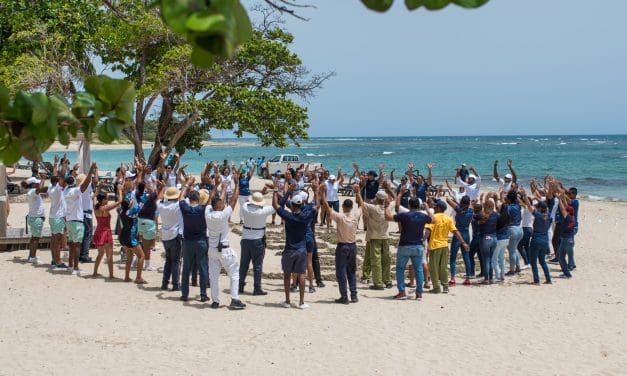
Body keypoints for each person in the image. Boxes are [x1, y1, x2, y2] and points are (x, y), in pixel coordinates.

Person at [205, 177, 246, 310]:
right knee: (234, 274)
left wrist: (216, 187)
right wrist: (237, 184)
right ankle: (234, 298)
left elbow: (209, 201)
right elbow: (234, 200)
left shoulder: (208, 214)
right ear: (219, 206)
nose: (224, 204)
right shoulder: (223, 215)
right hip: (224, 250)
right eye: (222, 203)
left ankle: (215, 301)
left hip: (212, 250)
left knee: (214, 277)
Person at [273, 186, 316, 309]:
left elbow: (275, 205)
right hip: (301, 249)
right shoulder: (305, 217)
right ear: (301, 203)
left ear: (292, 204)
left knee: (287, 275)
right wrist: (317, 190)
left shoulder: (288, 216)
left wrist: (277, 191)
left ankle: (287, 301)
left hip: (289, 249)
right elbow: (315, 207)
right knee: (302, 274)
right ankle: (301, 302)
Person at [385, 191, 433, 300]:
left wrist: (386, 206)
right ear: (419, 205)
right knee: (419, 269)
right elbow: (433, 220)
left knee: (400, 269)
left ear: (409, 205)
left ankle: (402, 292)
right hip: (418, 246)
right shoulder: (423, 216)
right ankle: (419, 293)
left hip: (405, 245)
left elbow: (388, 217)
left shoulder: (404, 215)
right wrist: (427, 208)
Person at [319, 186, 361, 304]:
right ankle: (353, 295)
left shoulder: (341, 217)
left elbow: (327, 208)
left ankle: (344, 296)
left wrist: (322, 194)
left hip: (342, 246)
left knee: (341, 272)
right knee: (351, 271)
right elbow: (362, 206)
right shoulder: (355, 216)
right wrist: (359, 192)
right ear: (351, 207)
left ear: (343, 207)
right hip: (353, 246)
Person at [424, 200, 469, 293]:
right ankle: (445, 286)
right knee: (443, 267)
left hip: (435, 245)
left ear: (439, 208)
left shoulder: (433, 217)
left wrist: (423, 240)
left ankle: (436, 287)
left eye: (435, 207)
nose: (434, 208)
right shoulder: (449, 218)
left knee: (433, 267)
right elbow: (455, 231)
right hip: (444, 245)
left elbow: (428, 230)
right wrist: (463, 243)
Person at [179, 176, 211, 302]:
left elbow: (180, 198)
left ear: (190, 199)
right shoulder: (203, 210)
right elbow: (210, 200)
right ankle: (203, 294)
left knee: (186, 268)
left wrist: (186, 185)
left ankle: (184, 294)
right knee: (202, 268)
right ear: (198, 199)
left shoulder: (185, 209)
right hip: (201, 241)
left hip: (187, 242)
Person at [354, 184, 392, 290]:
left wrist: (358, 192)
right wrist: (389, 190)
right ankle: (387, 280)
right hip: (385, 237)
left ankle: (378, 282)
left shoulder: (373, 208)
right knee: (386, 260)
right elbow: (396, 199)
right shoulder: (388, 208)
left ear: (376, 198)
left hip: (373, 237)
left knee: (375, 260)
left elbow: (361, 203)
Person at [63, 163, 97, 275]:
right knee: (77, 245)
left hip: (69, 220)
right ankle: (76, 268)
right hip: (77, 221)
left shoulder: (65, 191)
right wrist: (91, 170)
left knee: (72, 244)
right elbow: (85, 185)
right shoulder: (75, 191)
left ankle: (70, 266)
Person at [239, 192, 275, 295]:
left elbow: (247, 202)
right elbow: (277, 205)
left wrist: (260, 194)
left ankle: (240, 285)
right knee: (257, 265)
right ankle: (257, 288)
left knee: (243, 264)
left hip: (245, 238)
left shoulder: (245, 207)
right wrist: (275, 192)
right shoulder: (263, 211)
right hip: (258, 240)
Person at [519, 191, 552, 285]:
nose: (536, 209)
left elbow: (529, 207)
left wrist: (525, 196)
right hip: (545, 241)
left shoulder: (539, 216)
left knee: (533, 262)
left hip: (536, 240)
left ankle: (536, 280)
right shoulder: (548, 216)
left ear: (541, 208)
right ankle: (548, 279)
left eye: (538, 207)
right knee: (542, 261)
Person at [92, 182, 123, 278]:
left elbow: (93, 197)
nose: (108, 199)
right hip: (106, 232)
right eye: (107, 198)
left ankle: (95, 272)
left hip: (98, 231)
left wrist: (99, 187)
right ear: (103, 200)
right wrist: (120, 190)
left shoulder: (96, 208)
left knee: (100, 254)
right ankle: (111, 275)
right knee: (109, 255)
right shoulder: (105, 208)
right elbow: (119, 201)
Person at [158, 184, 184, 291]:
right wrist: (186, 185)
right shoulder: (178, 205)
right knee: (176, 261)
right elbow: (182, 199)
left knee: (168, 260)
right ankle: (175, 284)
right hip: (175, 236)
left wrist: (163, 187)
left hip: (165, 236)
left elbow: (159, 198)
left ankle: (164, 283)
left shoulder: (161, 206)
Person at [119, 181, 146, 284]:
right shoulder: (131, 212)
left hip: (123, 237)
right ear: (129, 204)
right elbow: (141, 205)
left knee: (129, 257)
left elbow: (125, 200)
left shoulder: (121, 212)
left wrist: (124, 191)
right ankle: (138, 277)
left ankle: (126, 277)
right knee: (141, 256)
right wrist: (145, 195)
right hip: (131, 237)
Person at [446, 195, 474, 286]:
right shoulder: (471, 211)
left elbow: (447, 200)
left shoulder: (459, 210)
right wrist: (458, 203)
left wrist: (457, 203)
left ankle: (453, 279)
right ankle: (468, 279)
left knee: (453, 257)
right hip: (466, 234)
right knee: (466, 257)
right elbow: (467, 207)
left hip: (458, 234)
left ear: (462, 203)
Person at [48, 156, 67, 269]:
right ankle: (58, 261)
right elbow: (62, 176)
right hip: (58, 217)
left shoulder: (51, 187)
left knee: (53, 240)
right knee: (58, 241)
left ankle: (54, 260)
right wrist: (64, 165)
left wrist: (55, 163)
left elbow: (55, 175)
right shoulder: (57, 189)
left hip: (52, 216)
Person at [25, 175, 47, 264]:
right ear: (33, 185)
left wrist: (42, 180)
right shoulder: (33, 191)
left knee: (33, 238)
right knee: (35, 239)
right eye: (37, 183)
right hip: (36, 218)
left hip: (33, 217)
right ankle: (32, 257)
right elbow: (40, 189)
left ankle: (31, 255)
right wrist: (43, 179)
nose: (38, 184)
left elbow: (40, 189)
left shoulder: (31, 192)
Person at [477, 198, 499, 284]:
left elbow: (475, 218)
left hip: (485, 238)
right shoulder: (496, 215)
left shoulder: (481, 214)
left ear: (485, 205)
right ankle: (491, 278)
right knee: (490, 259)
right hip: (494, 238)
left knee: (486, 259)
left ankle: (486, 279)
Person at [79, 164, 98, 264]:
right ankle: (84, 255)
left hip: (81, 214)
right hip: (86, 215)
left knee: (83, 235)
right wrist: (94, 169)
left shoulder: (78, 189)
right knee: (87, 235)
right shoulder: (85, 188)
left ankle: (81, 254)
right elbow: (95, 181)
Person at [556, 191, 575, 278]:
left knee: (561, 257)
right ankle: (567, 272)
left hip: (565, 240)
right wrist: (562, 197)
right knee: (565, 256)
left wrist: (559, 198)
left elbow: (562, 208)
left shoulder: (567, 218)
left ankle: (567, 273)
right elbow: (565, 207)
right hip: (570, 239)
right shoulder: (572, 217)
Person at [505, 190, 524, 275]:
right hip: (520, 229)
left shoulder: (508, 207)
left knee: (511, 251)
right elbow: (521, 203)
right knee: (514, 249)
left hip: (512, 229)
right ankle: (518, 267)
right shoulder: (518, 206)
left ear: (509, 199)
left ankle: (512, 270)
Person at [493, 202, 510, 282]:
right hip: (506, 239)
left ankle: (497, 275)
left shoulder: (498, 217)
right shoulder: (507, 216)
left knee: (494, 259)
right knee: (502, 257)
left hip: (499, 239)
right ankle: (502, 274)